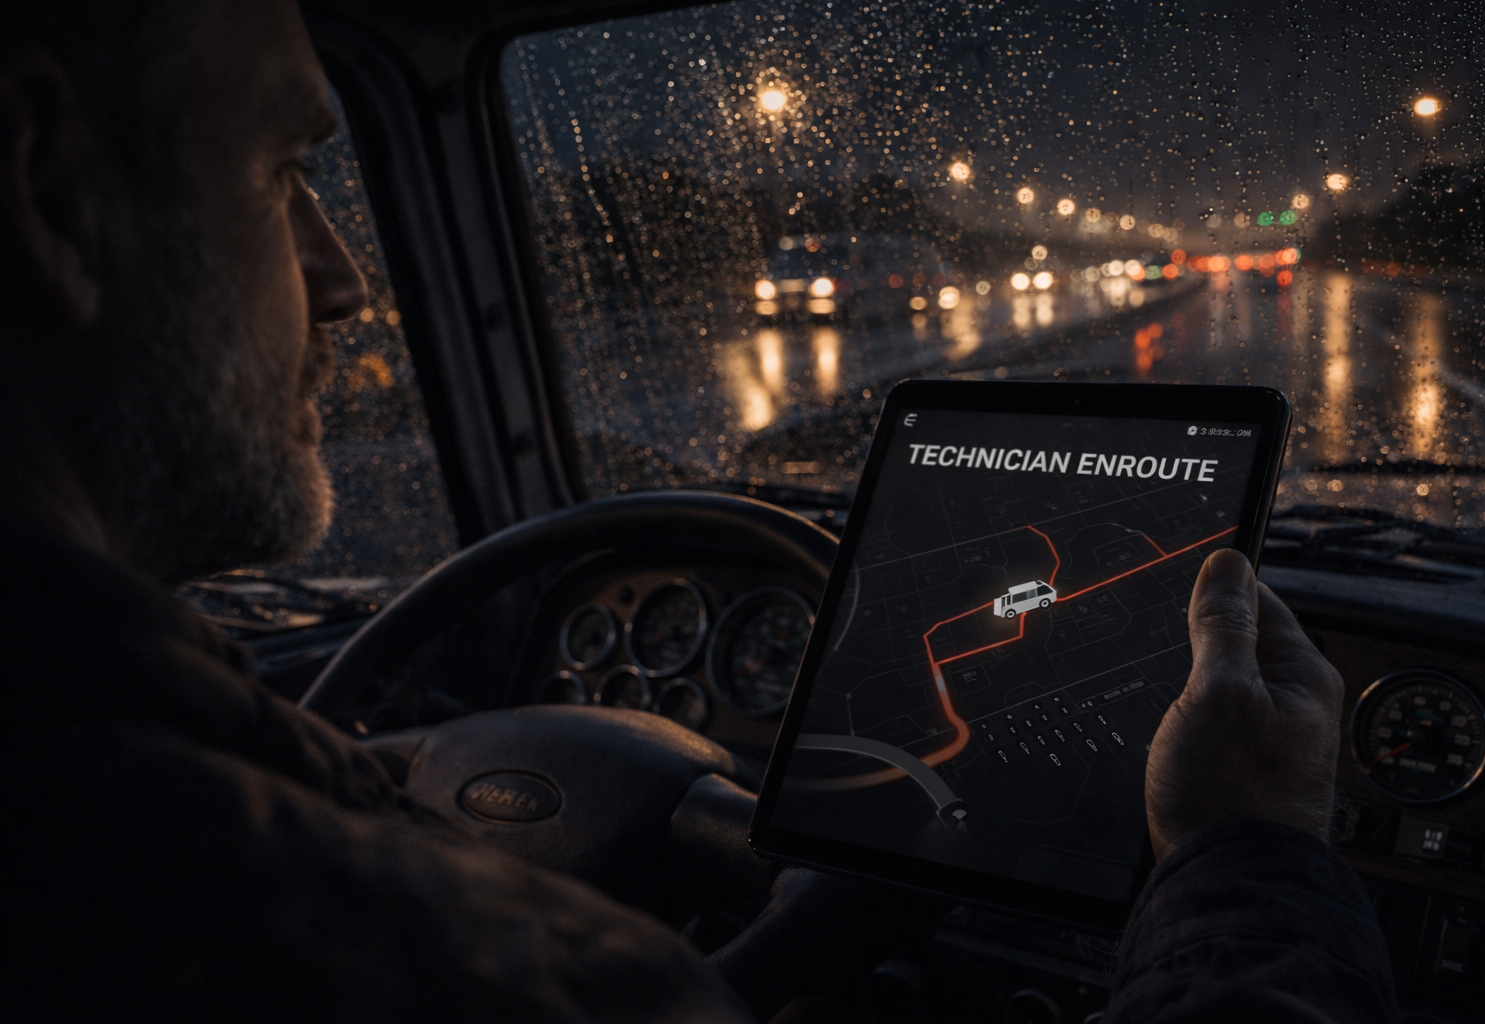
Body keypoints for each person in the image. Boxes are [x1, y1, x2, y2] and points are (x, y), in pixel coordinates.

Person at [0, 2, 1395, 1021]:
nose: (348, 280)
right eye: (288, 170)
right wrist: (1249, 858)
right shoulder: (334, 933)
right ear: (51, 192)